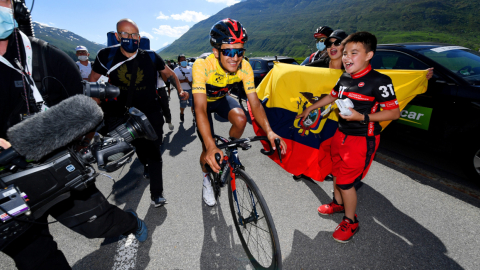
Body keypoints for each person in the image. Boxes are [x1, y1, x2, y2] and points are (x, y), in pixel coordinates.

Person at [0, 1, 147, 269]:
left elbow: (87, 110)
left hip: (56, 168)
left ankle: (131, 222)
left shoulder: (48, 57)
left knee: (97, 223)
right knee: (34, 256)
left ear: (13, 6)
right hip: (6, 185)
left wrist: (83, 146)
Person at [296, 32, 401, 243]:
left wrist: (362, 117)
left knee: (345, 182)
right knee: (335, 170)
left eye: (354, 53)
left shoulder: (380, 81)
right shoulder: (345, 77)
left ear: (369, 55)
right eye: (345, 53)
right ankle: (337, 203)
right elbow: (332, 95)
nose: (346, 57)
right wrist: (311, 108)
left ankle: (350, 221)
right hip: (341, 134)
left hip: (362, 140)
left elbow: (393, 113)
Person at [89, 18, 188, 207]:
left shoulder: (150, 56)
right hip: (121, 115)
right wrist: (96, 104)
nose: (130, 38)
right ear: (118, 36)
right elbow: (93, 81)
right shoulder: (106, 56)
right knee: (139, 148)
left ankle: (157, 194)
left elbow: (170, 74)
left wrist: (180, 90)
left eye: (134, 34)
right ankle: (145, 163)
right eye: (125, 34)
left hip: (150, 112)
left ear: (139, 37)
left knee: (155, 151)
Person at [192, 18, 287, 206]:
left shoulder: (245, 66)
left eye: (239, 51)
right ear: (216, 51)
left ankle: (229, 149)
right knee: (206, 148)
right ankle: (206, 179)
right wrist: (211, 145)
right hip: (204, 104)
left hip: (220, 100)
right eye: (228, 51)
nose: (235, 58)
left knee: (241, 119)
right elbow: (200, 109)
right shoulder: (202, 65)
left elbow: (255, 103)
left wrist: (269, 131)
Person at [174, 54, 193, 122]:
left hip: (191, 89)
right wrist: (184, 80)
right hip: (182, 91)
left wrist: (191, 82)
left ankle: (194, 117)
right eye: (182, 60)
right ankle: (182, 113)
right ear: (179, 62)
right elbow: (174, 80)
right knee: (183, 105)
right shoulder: (176, 70)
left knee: (192, 104)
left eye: (184, 60)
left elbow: (194, 78)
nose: (184, 61)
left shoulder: (190, 68)